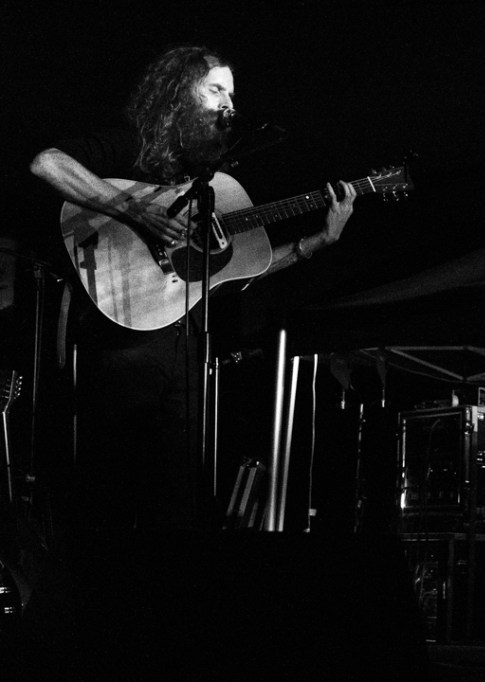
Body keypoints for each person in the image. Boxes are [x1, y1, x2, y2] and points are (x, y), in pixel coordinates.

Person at [29, 46, 356, 533]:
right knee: (111, 492)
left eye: (232, 94)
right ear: (179, 94)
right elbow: (47, 163)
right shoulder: (135, 147)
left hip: (186, 348)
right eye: (215, 90)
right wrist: (134, 209)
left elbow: (241, 270)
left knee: (178, 501)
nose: (228, 104)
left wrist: (317, 242)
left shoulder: (217, 189)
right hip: (122, 338)